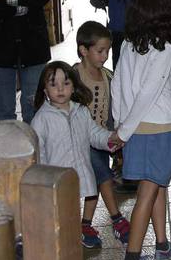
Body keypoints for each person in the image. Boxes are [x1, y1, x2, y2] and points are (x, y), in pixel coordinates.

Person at [111, 0, 171, 260]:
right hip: (157, 129)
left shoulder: (128, 44)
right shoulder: (165, 51)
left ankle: (162, 246)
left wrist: (120, 125)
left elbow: (117, 85)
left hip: (135, 129)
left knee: (156, 184)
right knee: (147, 194)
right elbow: (149, 94)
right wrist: (124, 131)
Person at [30, 60, 121, 244]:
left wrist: (110, 139)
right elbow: (39, 153)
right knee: (61, 223)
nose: (60, 88)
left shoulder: (80, 111)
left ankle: (72, 257)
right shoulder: (41, 119)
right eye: (53, 84)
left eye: (66, 83)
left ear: (73, 86)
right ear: (45, 90)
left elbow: (94, 134)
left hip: (79, 174)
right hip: (57, 181)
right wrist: (44, 181)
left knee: (70, 220)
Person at [73, 20, 130, 246]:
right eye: (100, 51)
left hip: (101, 139)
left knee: (93, 185)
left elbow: (114, 107)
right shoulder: (73, 76)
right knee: (103, 178)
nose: (105, 56)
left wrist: (116, 132)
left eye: (107, 51)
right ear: (83, 51)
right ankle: (117, 220)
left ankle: (85, 226)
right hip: (81, 142)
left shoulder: (107, 76)